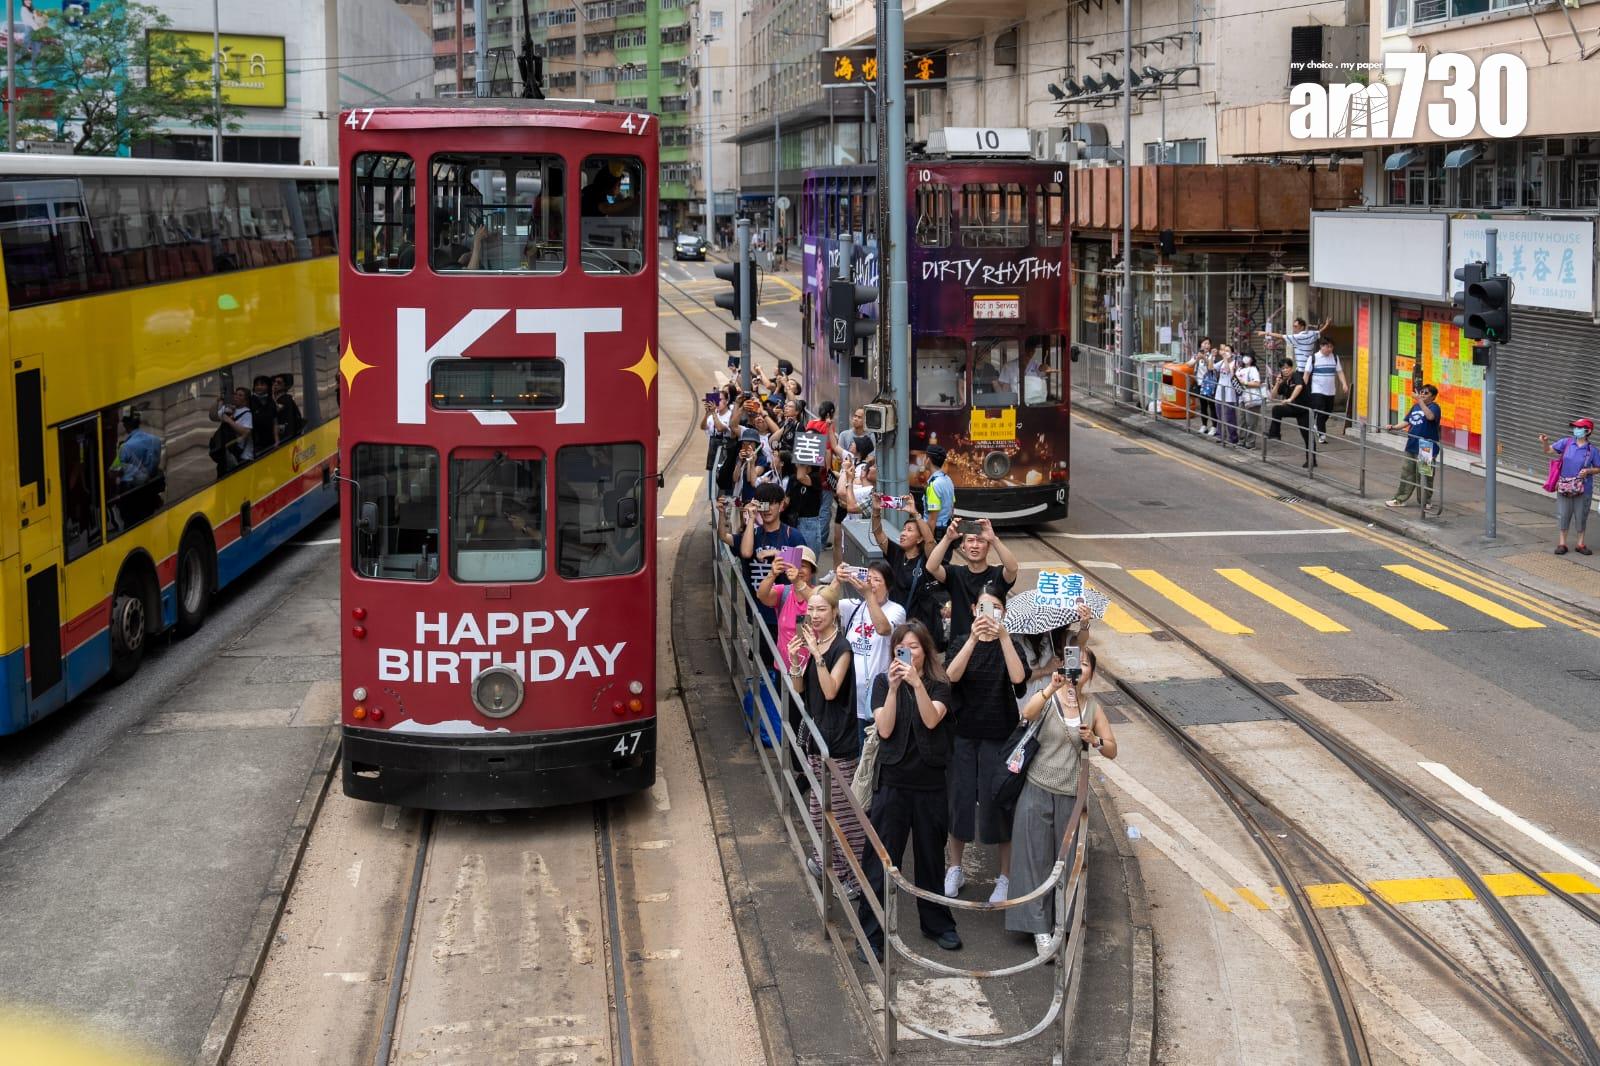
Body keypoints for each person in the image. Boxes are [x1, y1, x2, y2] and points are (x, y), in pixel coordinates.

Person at [855, 621, 960, 959]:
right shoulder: (884, 682)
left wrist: (917, 685)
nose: (908, 653)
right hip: (893, 783)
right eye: (903, 647)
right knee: (882, 860)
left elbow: (932, 720)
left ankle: (937, 924)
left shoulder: (940, 685)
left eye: (914, 647)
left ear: (925, 651)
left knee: (931, 859)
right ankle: (870, 933)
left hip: (930, 784)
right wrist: (895, 688)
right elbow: (884, 730)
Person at [1006, 647, 1117, 960]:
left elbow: (1111, 749)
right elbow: (1026, 715)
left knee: (1064, 863)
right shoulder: (1050, 696)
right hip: (1036, 788)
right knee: (1033, 859)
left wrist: (1094, 740)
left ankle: (1060, 925)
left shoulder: (1093, 708)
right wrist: (1051, 686)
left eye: (1084, 665)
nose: (1077, 670)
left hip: (1070, 794)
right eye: (1074, 663)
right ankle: (1039, 930)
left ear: (1092, 674)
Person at [943, 587, 1027, 904]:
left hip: (999, 737)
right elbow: (950, 677)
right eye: (982, 608)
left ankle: (1005, 877)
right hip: (963, 734)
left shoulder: (1011, 644)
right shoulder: (963, 639)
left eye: (994, 608)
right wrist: (973, 640)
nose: (987, 615)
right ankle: (955, 868)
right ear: (974, 610)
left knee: (999, 804)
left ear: (1003, 614)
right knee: (960, 800)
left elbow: (1020, 683)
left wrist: (1004, 637)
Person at [791, 591, 864, 897]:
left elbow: (831, 690)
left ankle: (856, 877)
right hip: (817, 737)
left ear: (835, 612)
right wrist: (796, 660)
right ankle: (827, 861)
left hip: (839, 741)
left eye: (822, 609)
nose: (815, 615)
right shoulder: (814, 643)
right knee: (818, 808)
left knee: (845, 814)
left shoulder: (841, 647)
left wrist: (816, 655)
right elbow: (800, 689)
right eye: (811, 609)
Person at [834, 560, 906, 748]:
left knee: (872, 752)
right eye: (868, 578)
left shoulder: (896, 610)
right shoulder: (854, 606)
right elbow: (822, 602)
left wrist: (868, 595)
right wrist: (837, 579)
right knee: (852, 754)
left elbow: (883, 628)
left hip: (877, 696)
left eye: (877, 580)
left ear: (888, 585)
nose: (871, 583)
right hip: (849, 696)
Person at [925, 517, 1020, 647]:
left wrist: (993, 539)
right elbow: (931, 567)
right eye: (970, 540)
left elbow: (1013, 568)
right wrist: (947, 538)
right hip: (959, 646)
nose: (975, 545)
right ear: (963, 546)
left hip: (990, 645)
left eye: (981, 541)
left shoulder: (997, 574)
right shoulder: (955, 573)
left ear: (988, 547)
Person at [869, 494, 947, 647]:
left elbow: (930, 540)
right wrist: (876, 511)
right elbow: (878, 534)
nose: (903, 533)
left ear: (919, 539)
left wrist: (915, 514)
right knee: (897, 661)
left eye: (909, 530)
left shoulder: (927, 558)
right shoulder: (896, 552)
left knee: (913, 663)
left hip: (919, 627)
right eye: (903, 529)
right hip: (896, 622)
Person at [739, 482, 806, 635]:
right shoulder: (753, 534)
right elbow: (746, 553)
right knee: (761, 655)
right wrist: (751, 518)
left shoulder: (793, 535)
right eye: (763, 504)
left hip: (786, 612)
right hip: (758, 610)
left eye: (772, 503)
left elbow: (803, 572)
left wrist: (778, 554)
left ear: (782, 505)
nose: (767, 508)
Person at [1540, 418, 1599, 556]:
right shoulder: (1566, 443)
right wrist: (1545, 442)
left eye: (1579, 427)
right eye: (1575, 427)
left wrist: (1589, 471)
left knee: (1581, 515)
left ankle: (1580, 544)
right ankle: (1562, 544)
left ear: (1588, 431)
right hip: (1564, 486)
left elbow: (1598, 467)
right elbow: (1548, 451)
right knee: (1563, 514)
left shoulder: (1592, 450)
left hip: (1583, 489)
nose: (1576, 430)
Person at [759, 547, 819, 673]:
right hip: (783, 668)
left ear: (812, 572)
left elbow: (816, 602)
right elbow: (762, 596)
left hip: (811, 670)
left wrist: (797, 582)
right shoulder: (784, 592)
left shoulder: (819, 594)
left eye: (803, 566)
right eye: (796, 565)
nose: (798, 570)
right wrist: (772, 574)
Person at [1385, 384, 1442, 511]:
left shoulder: (1434, 407)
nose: (1422, 394)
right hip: (1412, 444)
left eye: (1426, 393)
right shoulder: (1415, 407)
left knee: (1425, 475)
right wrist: (1394, 427)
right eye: (1421, 392)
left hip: (1426, 446)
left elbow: (1430, 417)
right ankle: (1400, 499)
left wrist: (1420, 402)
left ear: (1433, 397)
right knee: (1407, 474)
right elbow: (1407, 421)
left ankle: (1425, 501)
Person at [111, 410, 164, 526]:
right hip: (151, 498)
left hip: (133, 502)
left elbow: (114, 472)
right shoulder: (155, 440)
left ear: (125, 425)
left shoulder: (125, 448)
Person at [1267, 358, 1312, 466]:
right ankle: (1275, 433)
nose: (1285, 370)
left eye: (1287, 368)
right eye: (1283, 368)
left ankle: (1311, 460)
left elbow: (1300, 386)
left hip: (1303, 409)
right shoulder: (1285, 382)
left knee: (1307, 435)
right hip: (1293, 408)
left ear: (1292, 368)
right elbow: (1272, 397)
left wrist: (1290, 399)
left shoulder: (1296, 376)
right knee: (1276, 410)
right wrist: (1277, 384)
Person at [1306, 338, 1348, 447]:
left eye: (1331, 347)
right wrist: (1303, 388)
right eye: (1327, 346)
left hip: (1330, 390)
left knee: (1328, 411)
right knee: (1321, 411)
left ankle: (1317, 425)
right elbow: (1306, 375)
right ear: (1321, 346)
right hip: (1317, 390)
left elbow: (1340, 372)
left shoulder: (1334, 357)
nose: (1330, 349)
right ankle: (1322, 435)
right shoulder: (1313, 358)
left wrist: (1344, 384)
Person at [1258, 316, 1330, 374]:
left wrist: (1265, 333)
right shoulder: (1311, 334)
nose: (1294, 328)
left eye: (1295, 326)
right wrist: (1326, 325)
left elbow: (1281, 336)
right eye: (1293, 326)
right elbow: (1320, 331)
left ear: (1302, 327)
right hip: (1310, 368)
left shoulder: (1298, 337)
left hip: (1302, 370)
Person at [209, 386, 254, 472]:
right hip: (226, 451)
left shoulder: (247, 413)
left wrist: (229, 421)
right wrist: (218, 401)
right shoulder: (230, 409)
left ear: (246, 399)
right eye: (235, 394)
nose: (236, 396)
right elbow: (213, 416)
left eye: (240, 395)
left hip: (240, 456)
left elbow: (246, 431)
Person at [923, 445, 956, 540]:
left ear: (928, 460)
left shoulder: (934, 485)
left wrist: (928, 542)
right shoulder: (948, 479)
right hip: (946, 530)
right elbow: (952, 508)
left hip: (936, 534)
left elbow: (932, 519)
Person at [1234, 352, 1264, 448]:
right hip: (1242, 398)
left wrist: (1245, 383)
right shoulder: (1240, 369)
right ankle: (1242, 440)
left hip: (1252, 398)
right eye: (1244, 356)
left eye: (1248, 356)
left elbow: (1257, 383)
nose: (1245, 358)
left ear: (1252, 358)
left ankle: (1250, 443)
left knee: (1251, 422)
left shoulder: (1253, 369)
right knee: (1242, 421)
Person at [1190, 338, 1218, 437]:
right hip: (1200, 383)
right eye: (1205, 343)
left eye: (1208, 344)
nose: (1207, 345)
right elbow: (1189, 365)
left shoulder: (1212, 356)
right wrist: (1197, 358)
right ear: (1201, 345)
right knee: (1203, 406)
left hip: (1209, 384)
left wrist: (1205, 358)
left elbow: (1212, 367)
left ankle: (1214, 427)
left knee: (1211, 405)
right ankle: (1204, 425)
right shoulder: (1196, 355)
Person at [1213, 344, 1239, 446]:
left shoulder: (1235, 363)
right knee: (1219, 415)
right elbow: (1211, 367)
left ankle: (1233, 438)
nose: (1226, 352)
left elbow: (1229, 371)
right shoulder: (1221, 362)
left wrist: (1225, 359)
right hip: (1219, 393)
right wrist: (1212, 356)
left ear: (1232, 353)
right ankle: (1220, 435)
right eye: (1225, 350)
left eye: (1228, 351)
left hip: (1229, 394)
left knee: (1230, 417)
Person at [704, 391, 733, 472]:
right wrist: (707, 413)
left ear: (727, 401)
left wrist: (713, 413)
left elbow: (720, 428)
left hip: (725, 452)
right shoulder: (713, 415)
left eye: (720, 399)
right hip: (713, 454)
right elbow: (703, 426)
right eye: (716, 400)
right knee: (712, 477)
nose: (717, 402)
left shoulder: (730, 415)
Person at [272, 373, 305, 444]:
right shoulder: (278, 398)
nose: (275, 384)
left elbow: (275, 410)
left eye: (279, 383)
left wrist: (271, 394)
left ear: (284, 386)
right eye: (274, 382)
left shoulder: (285, 398)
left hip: (286, 436)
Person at [248, 375, 277, 454]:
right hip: (255, 444)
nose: (259, 387)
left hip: (270, 442)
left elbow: (274, 422)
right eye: (257, 385)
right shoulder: (250, 401)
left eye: (262, 384)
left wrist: (277, 441)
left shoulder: (271, 401)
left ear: (268, 387)